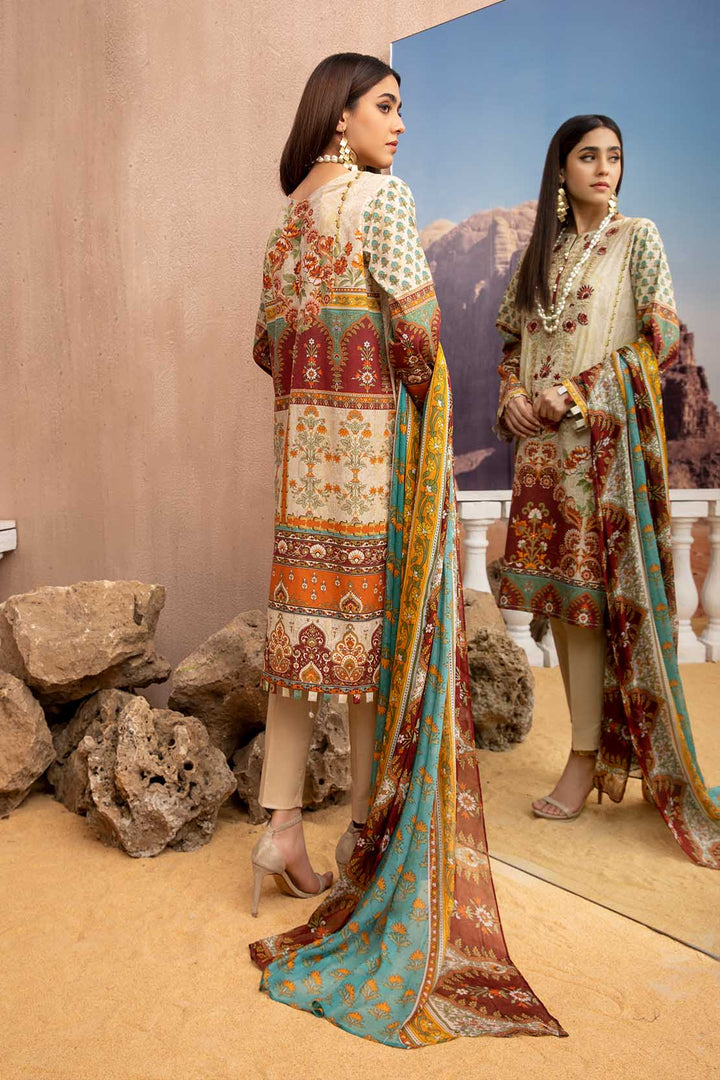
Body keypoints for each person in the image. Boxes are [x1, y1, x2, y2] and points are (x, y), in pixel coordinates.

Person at [248, 52, 566, 1046]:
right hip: (375, 463)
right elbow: (420, 336)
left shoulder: (287, 224)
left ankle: (278, 829)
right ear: (339, 115)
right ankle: (365, 839)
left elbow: (265, 346)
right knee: (379, 653)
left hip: (303, 471)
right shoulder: (382, 200)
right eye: (385, 106)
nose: (399, 124)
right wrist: (414, 404)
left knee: (307, 643)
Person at [496, 115, 720, 867]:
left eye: (615, 156)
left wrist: (575, 391)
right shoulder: (540, 253)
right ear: (561, 169)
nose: (604, 168)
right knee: (565, 607)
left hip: (601, 453)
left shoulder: (638, 238)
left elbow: (659, 340)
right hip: (540, 458)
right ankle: (584, 750)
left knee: (592, 605)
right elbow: (510, 344)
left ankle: (584, 757)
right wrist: (511, 398)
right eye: (589, 156)